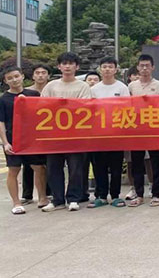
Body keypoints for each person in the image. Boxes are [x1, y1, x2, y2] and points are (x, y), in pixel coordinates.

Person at [41, 52, 92, 212]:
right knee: (53, 168)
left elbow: (85, 107)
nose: (67, 66)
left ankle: (73, 198)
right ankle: (57, 200)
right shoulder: (51, 86)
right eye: (64, 63)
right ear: (59, 66)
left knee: (75, 168)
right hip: (54, 135)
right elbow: (42, 106)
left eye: (71, 63)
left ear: (77, 66)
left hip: (76, 134)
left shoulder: (83, 86)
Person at [1, 66, 47, 214]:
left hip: (32, 138)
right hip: (12, 139)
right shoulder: (3, 99)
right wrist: (5, 142)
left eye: (16, 76)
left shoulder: (33, 94)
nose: (14, 80)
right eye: (10, 78)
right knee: (14, 169)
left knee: (39, 167)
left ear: (22, 76)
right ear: (5, 81)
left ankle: (42, 198)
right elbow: (1, 122)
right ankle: (16, 203)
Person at [88, 57, 129, 209]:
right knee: (99, 167)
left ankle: (116, 196)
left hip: (116, 133)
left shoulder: (122, 88)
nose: (107, 69)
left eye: (110, 67)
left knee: (116, 166)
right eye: (104, 66)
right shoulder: (94, 89)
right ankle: (101, 196)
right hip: (98, 134)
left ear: (116, 69)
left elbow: (127, 109)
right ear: (100, 69)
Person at [127, 54, 159, 207]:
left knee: (155, 161)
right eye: (142, 66)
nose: (144, 68)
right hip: (136, 128)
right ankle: (139, 194)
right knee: (137, 162)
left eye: (147, 66)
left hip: (154, 127)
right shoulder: (132, 86)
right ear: (138, 67)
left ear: (153, 67)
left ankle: (156, 194)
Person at [21, 64, 50, 205]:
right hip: (29, 132)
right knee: (28, 165)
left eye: (43, 72)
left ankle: (48, 193)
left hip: (48, 132)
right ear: (32, 76)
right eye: (37, 73)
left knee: (48, 164)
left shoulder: (51, 90)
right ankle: (27, 195)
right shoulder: (25, 92)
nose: (40, 75)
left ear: (48, 75)